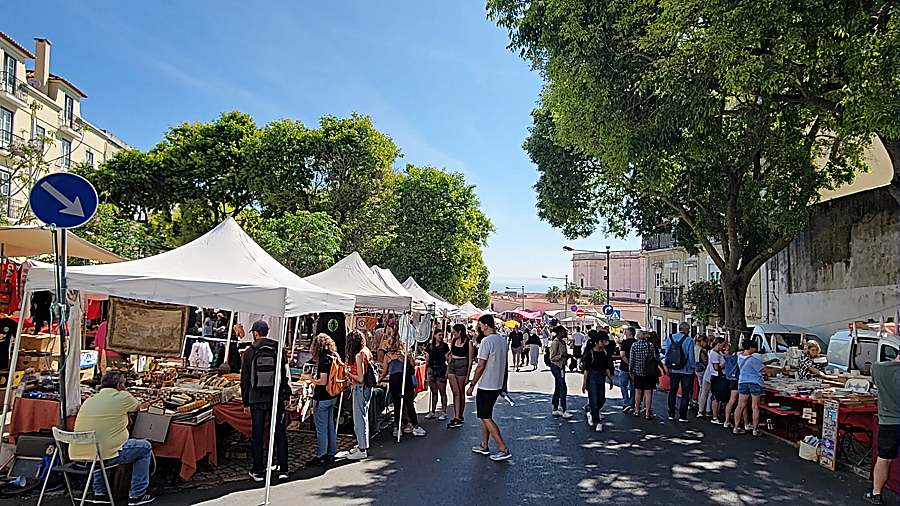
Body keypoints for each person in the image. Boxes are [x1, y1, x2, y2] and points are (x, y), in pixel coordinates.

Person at [70, 371, 154, 506]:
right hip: (106, 455)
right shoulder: (123, 396)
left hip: (78, 455)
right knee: (145, 447)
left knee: (98, 446)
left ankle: (100, 492)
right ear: (120, 385)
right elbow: (139, 407)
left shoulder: (89, 400)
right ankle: (137, 494)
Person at [240, 320, 290, 480]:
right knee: (280, 433)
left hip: (256, 398)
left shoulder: (249, 352)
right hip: (275, 397)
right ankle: (283, 469)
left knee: (258, 433)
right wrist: (286, 395)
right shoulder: (279, 349)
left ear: (255, 333)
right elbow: (284, 376)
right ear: (267, 332)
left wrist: (245, 402)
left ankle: (258, 470)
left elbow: (245, 380)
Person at [467, 314, 511, 461]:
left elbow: (480, 366)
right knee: (486, 416)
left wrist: (472, 384)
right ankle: (484, 445)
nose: (479, 327)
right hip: (497, 384)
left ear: (485, 325)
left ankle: (502, 448)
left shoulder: (486, 341)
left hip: (487, 384)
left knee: (485, 416)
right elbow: (505, 364)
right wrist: (504, 383)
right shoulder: (502, 340)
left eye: (480, 325)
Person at [866, 353, 900, 504]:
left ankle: (876, 493)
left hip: (889, 421)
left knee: (884, 459)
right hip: (891, 420)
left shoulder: (878, 368)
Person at [379, 333, 426, 438]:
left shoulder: (392, 355)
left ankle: (400, 426)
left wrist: (380, 379)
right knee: (407, 403)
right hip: (403, 380)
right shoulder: (401, 354)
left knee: (400, 404)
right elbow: (413, 365)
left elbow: (385, 372)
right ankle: (411, 426)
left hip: (398, 380)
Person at [309, 333, 341, 465]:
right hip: (332, 395)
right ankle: (331, 453)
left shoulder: (323, 359)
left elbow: (322, 381)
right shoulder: (334, 356)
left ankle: (321, 454)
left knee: (321, 428)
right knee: (330, 426)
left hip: (322, 397)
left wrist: (311, 379)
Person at [343, 330, 373, 460]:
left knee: (359, 419)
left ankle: (362, 448)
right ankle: (362, 444)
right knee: (362, 417)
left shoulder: (358, 355)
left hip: (360, 387)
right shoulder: (366, 350)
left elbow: (360, 378)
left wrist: (348, 373)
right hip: (365, 388)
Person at [732, 339, 769, 436]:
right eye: (754, 347)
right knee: (755, 407)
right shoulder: (753, 360)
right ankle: (755, 429)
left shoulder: (739, 356)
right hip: (755, 383)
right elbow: (766, 370)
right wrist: (781, 369)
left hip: (742, 382)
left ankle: (736, 427)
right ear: (751, 348)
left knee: (740, 405)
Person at [582, 333, 616, 431]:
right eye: (602, 341)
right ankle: (596, 421)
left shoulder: (604, 353)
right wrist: (584, 383)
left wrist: (610, 379)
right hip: (592, 377)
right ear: (596, 342)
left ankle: (592, 412)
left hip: (601, 377)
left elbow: (606, 367)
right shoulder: (590, 353)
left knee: (602, 399)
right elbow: (586, 370)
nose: (604, 343)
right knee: (593, 399)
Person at [664, 322, 696, 422]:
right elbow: (691, 356)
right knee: (685, 393)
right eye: (689, 329)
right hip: (686, 370)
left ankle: (671, 413)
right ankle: (682, 416)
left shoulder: (670, 338)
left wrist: (668, 366)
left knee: (672, 391)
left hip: (673, 369)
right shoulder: (689, 340)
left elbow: (667, 353)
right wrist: (693, 367)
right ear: (685, 329)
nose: (689, 331)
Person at [446, 323, 474, 428]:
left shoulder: (468, 342)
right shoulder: (453, 341)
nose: (453, 334)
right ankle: (457, 416)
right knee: (456, 392)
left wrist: (468, 375)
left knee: (460, 391)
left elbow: (470, 359)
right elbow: (451, 353)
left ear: (460, 332)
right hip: (452, 364)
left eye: (454, 332)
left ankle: (459, 415)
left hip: (462, 364)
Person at [630, 330, 661, 420]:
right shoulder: (650, 345)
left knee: (638, 392)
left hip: (638, 372)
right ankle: (647, 412)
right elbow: (656, 357)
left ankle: (636, 410)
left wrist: (631, 371)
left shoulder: (634, 345)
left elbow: (632, 360)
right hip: (649, 372)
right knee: (648, 393)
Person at [425, 330, 450, 421]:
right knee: (434, 392)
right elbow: (427, 359)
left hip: (441, 369)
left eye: (442, 335)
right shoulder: (430, 346)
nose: (441, 336)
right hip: (431, 369)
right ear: (434, 335)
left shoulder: (445, 346)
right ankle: (433, 411)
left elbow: (448, 359)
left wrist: (447, 371)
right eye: (439, 335)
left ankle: (444, 412)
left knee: (442, 391)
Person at [548, 325, 572, 418]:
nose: (565, 333)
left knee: (558, 387)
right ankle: (564, 409)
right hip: (556, 367)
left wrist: (567, 356)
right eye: (564, 331)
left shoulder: (562, 342)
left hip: (561, 367)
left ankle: (555, 408)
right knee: (563, 387)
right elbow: (552, 357)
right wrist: (561, 356)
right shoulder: (555, 342)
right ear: (560, 332)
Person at [701, 338, 726, 423]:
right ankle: (711, 414)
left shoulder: (718, 353)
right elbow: (716, 367)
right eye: (723, 344)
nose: (724, 346)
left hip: (714, 375)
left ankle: (710, 411)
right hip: (715, 376)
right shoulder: (714, 353)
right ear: (718, 344)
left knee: (712, 395)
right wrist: (724, 365)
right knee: (713, 395)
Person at [722, 342, 741, 429]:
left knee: (732, 400)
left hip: (729, 379)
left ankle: (727, 420)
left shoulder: (726, 357)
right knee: (734, 400)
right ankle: (727, 420)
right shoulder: (735, 357)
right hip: (735, 379)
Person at [617, 327, 637, 412]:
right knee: (633, 386)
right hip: (635, 369)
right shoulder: (637, 342)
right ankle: (632, 403)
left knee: (623, 386)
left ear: (629, 333)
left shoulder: (624, 343)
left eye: (626, 332)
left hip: (624, 368)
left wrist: (629, 364)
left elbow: (622, 355)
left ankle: (626, 402)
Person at [693, 335, 709, 415]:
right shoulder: (701, 350)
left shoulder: (694, 348)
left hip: (696, 368)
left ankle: (698, 402)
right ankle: (702, 406)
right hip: (701, 368)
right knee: (703, 388)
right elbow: (704, 361)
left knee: (700, 387)